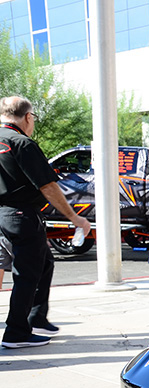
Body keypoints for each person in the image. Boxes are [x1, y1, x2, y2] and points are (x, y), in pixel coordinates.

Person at [0, 96, 90, 349]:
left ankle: (36, 319)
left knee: (44, 263)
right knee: (27, 274)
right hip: (21, 216)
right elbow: (48, 186)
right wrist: (74, 217)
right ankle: (16, 333)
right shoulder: (21, 143)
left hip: (3, 215)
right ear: (28, 117)